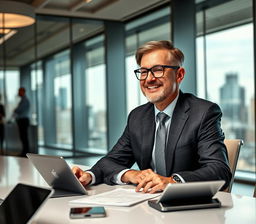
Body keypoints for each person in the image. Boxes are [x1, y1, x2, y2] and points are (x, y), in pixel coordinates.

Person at [73, 40, 231, 193]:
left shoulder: (204, 112)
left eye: (157, 70)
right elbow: (110, 161)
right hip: (146, 205)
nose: (149, 79)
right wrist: (126, 174)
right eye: (143, 72)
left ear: (179, 75)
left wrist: (171, 181)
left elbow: (219, 169)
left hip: (189, 210)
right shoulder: (138, 116)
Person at [13, 87, 30, 157]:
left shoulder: (25, 100)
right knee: (23, 137)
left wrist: (15, 109)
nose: (18, 93)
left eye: (19, 91)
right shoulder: (23, 100)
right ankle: (25, 152)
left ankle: (26, 153)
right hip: (22, 121)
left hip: (23, 121)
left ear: (23, 92)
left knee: (24, 137)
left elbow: (18, 110)